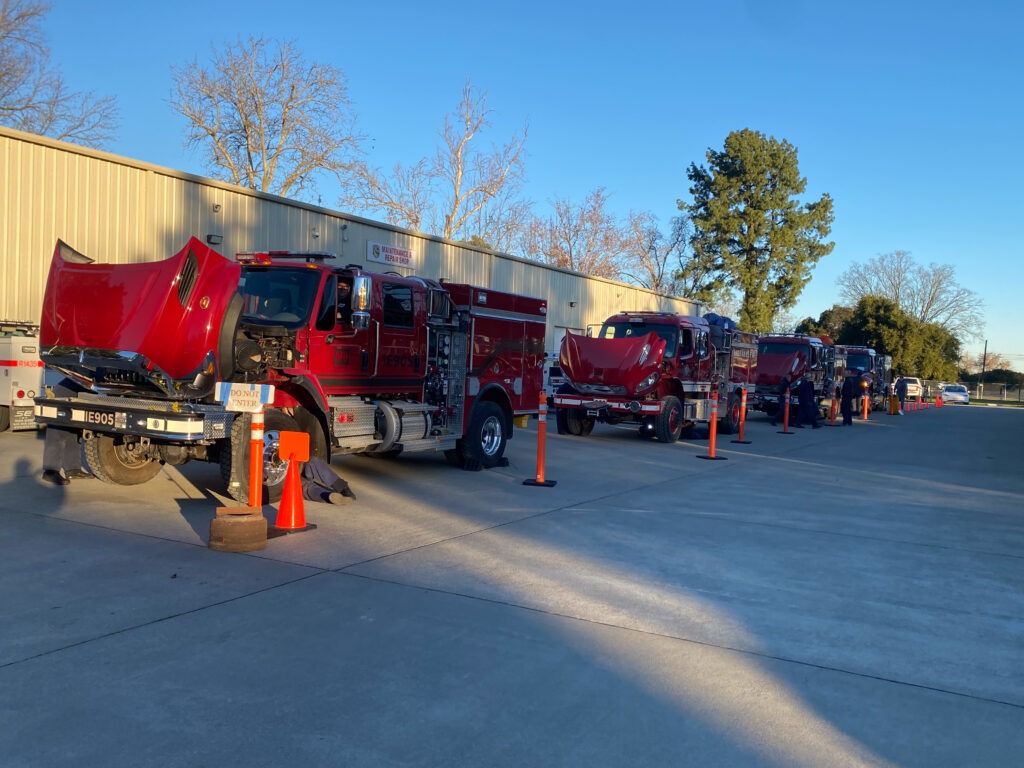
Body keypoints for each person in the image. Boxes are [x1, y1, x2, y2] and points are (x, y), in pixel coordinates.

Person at [41, 378, 93, 485]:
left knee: (74, 433)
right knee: (57, 432)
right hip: (64, 394)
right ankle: (50, 471)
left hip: (78, 395)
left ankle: (73, 469)